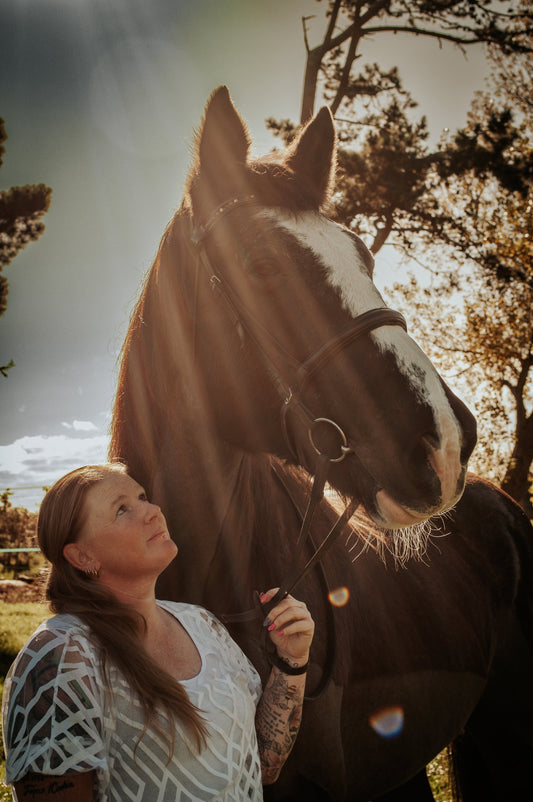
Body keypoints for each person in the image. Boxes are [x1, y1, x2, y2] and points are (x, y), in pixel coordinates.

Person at [2, 463, 314, 801]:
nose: (153, 511)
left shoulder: (202, 624)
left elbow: (266, 765)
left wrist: (292, 659)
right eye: (122, 509)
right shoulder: (60, 658)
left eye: (143, 498)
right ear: (81, 555)